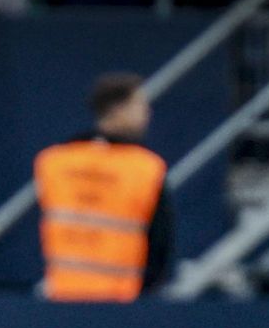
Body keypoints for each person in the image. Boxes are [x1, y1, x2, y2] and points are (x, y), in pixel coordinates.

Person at [33, 71, 174, 301]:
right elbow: (161, 243)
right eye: (139, 105)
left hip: (62, 298)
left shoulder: (54, 162)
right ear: (118, 108)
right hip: (121, 303)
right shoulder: (147, 168)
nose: (147, 113)